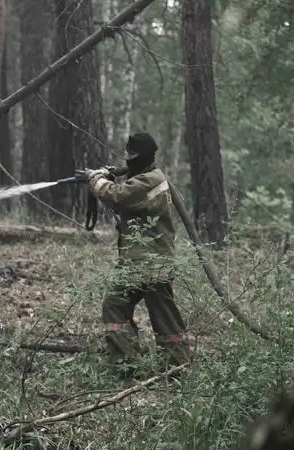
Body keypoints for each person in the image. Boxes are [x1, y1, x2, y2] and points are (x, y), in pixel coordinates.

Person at [75, 132, 191, 372]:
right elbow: (127, 192)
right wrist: (106, 176)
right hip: (143, 262)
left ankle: (157, 364)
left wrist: (95, 179)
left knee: (134, 309)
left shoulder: (151, 180)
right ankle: (149, 364)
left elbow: (118, 197)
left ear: (144, 156)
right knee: (139, 311)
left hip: (148, 263)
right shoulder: (146, 178)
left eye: (132, 155)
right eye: (127, 154)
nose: (128, 160)